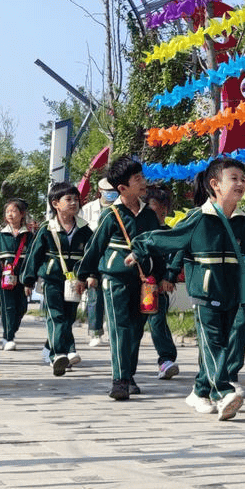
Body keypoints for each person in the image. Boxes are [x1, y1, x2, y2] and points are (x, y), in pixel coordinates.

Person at [131, 157, 245, 419]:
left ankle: (200, 391)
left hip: (232, 293)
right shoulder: (198, 218)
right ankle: (223, 392)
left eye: (242, 178)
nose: (241, 183)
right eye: (233, 179)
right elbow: (170, 239)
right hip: (204, 293)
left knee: (223, 343)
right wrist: (140, 247)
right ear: (215, 185)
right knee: (214, 344)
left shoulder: (244, 223)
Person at [77, 159, 175, 401]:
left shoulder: (150, 215)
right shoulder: (110, 215)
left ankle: (129, 375)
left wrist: (163, 277)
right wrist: (84, 275)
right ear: (122, 188)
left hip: (144, 282)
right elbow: (95, 247)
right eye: (137, 179)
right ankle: (119, 380)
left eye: (142, 177)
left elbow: (157, 248)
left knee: (135, 330)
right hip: (115, 278)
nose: (143, 182)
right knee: (120, 328)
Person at [23, 184, 93, 373]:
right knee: (56, 316)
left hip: (75, 282)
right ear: (56, 204)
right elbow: (34, 255)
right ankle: (58, 355)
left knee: (69, 317)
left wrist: (90, 276)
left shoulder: (85, 230)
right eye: (68, 199)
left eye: (75, 199)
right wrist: (28, 280)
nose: (73, 203)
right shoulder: (47, 228)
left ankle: (63, 351)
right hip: (52, 280)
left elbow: (92, 255)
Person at [0, 198, 35, 351]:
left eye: (13, 211)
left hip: (22, 277)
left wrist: (29, 282)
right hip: (5, 277)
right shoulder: (0, 236)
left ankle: (11, 330)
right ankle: (8, 337)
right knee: (7, 306)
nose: (10, 214)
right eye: (8, 212)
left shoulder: (30, 237)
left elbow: (33, 260)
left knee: (21, 307)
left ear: (22, 214)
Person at [143, 185, 181, 380]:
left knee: (157, 321)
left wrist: (168, 277)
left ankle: (166, 359)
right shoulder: (139, 232)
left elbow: (176, 258)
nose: (160, 209)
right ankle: (124, 366)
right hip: (135, 285)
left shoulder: (171, 234)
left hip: (155, 288)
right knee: (131, 327)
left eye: (162, 205)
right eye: (154, 204)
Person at [78, 177, 117, 348]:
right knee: (95, 296)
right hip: (94, 257)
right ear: (100, 191)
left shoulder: (120, 208)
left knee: (115, 295)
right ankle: (95, 332)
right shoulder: (88, 209)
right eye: (107, 191)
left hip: (115, 256)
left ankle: (113, 329)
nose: (111, 194)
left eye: (113, 190)